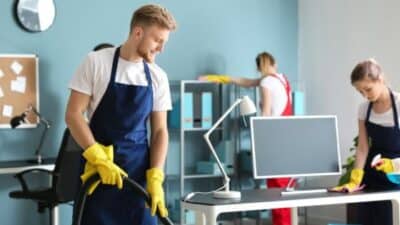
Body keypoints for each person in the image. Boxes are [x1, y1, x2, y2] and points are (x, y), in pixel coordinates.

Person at [65, 4, 177, 225]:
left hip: (138, 175)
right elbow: (74, 115)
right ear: (138, 33)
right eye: (157, 41)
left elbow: (160, 132)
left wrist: (156, 175)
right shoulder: (96, 62)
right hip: (98, 174)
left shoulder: (157, 77)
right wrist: (97, 156)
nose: (161, 49)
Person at [200, 51, 295, 225]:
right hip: (286, 136)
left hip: (273, 136)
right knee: (285, 189)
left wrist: (260, 141)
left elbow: (265, 112)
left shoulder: (266, 81)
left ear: (259, 67)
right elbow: (248, 82)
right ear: (274, 63)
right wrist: (222, 78)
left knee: (276, 190)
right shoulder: (281, 79)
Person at [332, 58, 400, 225]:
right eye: (360, 92)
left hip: (397, 176)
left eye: (368, 89)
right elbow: (363, 147)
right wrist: (355, 178)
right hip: (373, 175)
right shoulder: (364, 109)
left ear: (380, 79)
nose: (365, 95)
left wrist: (394, 165)